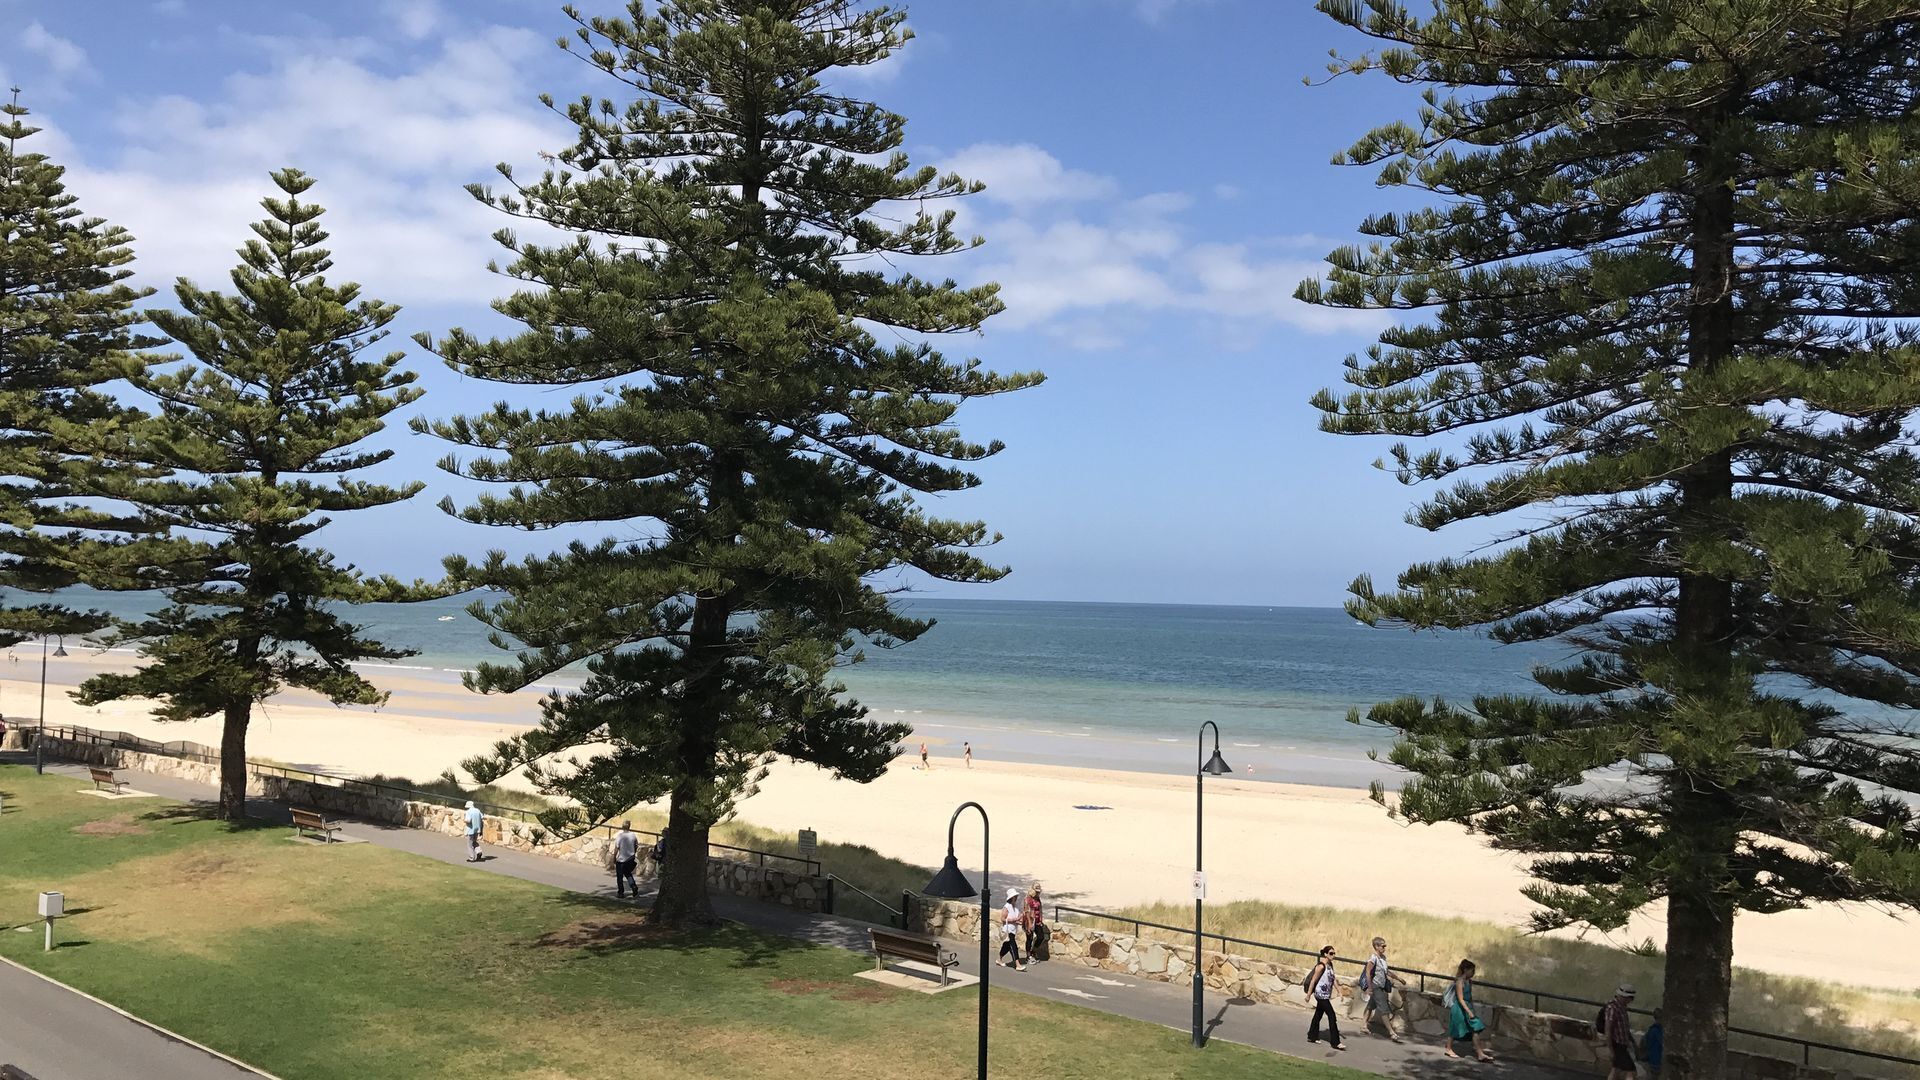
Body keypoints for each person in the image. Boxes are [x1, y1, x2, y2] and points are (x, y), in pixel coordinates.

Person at [1355, 935, 1405, 1042]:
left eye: (1384, 946)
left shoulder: (1383, 958)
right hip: (1376, 985)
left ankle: (1363, 1025)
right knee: (1383, 1009)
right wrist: (1369, 987)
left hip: (1382, 986)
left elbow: (1386, 971)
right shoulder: (1373, 958)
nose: (1384, 948)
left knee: (1371, 1005)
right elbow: (1368, 972)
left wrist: (1398, 978)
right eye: (1382, 946)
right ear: (1376, 946)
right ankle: (1391, 1032)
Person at [1444, 959, 1493, 1062]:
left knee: (1475, 1028)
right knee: (1455, 1029)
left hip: (1467, 1007)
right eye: (1472, 971)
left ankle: (1480, 1053)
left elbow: (1469, 997)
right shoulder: (1459, 982)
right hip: (1459, 1009)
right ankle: (1448, 1049)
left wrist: (1471, 1008)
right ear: (1466, 970)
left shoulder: (1469, 982)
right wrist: (1468, 1011)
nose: (1473, 973)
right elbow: (1461, 999)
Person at [1305, 945, 1348, 1050]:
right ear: (1325, 954)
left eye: (1334, 953)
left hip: (1326, 994)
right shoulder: (1321, 966)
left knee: (1318, 1015)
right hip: (1320, 995)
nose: (1333, 955)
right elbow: (1313, 980)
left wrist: (1339, 992)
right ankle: (1335, 1042)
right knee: (1332, 1016)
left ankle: (1312, 1036)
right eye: (1331, 953)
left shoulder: (1330, 965)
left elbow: (1333, 979)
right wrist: (1309, 994)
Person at [1603, 984, 1639, 1080]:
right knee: (1631, 1071)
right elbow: (1608, 1029)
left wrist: (1631, 1041)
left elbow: (1624, 1027)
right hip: (1617, 1045)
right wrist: (1611, 1049)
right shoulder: (1613, 1008)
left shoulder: (1621, 1007)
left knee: (1616, 1069)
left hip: (1621, 1044)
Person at [998, 886, 1026, 970]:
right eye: (1015, 897)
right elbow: (1003, 919)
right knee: (1013, 946)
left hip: (1013, 930)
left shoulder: (1016, 908)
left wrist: (1019, 921)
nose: (1016, 898)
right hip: (1008, 930)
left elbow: (1016, 920)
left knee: (1006, 946)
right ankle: (1017, 964)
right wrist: (1015, 919)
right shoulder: (1007, 906)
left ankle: (999, 959)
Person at [613, 820, 640, 898]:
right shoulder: (633, 835)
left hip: (621, 859)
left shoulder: (620, 836)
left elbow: (616, 848)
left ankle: (621, 892)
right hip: (630, 858)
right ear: (629, 826)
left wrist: (614, 857)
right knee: (628, 873)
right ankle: (633, 886)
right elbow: (636, 845)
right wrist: (633, 852)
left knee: (620, 876)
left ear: (622, 827)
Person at [1024, 884, 1045, 961]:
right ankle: (1028, 955)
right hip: (1029, 920)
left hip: (1036, 920)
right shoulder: (1028, 899)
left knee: (1041, 936)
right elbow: (1027, 911)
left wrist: (1040, 919)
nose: (1038, 893)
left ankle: (1034, 951)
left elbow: (1040, 909)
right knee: (1029, 938)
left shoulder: (1037, 898)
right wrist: (1029, 923)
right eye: (1036, 892)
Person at [1644, 1008, 1665, 1080]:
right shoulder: (1657, 1031)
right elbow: (1662, 1042)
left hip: (1652, 1058)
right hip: (1656, 1059)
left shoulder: (1652, 1029)